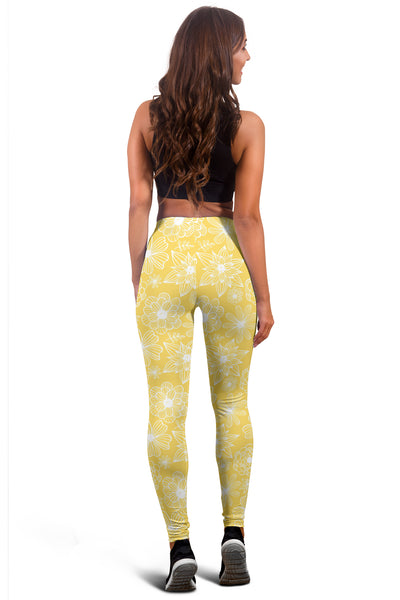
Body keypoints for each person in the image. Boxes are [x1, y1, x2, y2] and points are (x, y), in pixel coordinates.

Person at [127, 6, 274, 592]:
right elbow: (249, 217)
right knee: (232, 402)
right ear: (218, 52)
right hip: (223, 258)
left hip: (165, 254)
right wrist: (264, 298)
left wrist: (139, 275)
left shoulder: (146, 117)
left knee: (165, 406)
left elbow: (139, 204)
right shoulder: (248, 126)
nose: (247, 56)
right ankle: (234, 536)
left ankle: (179, 547)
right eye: (241, 46)